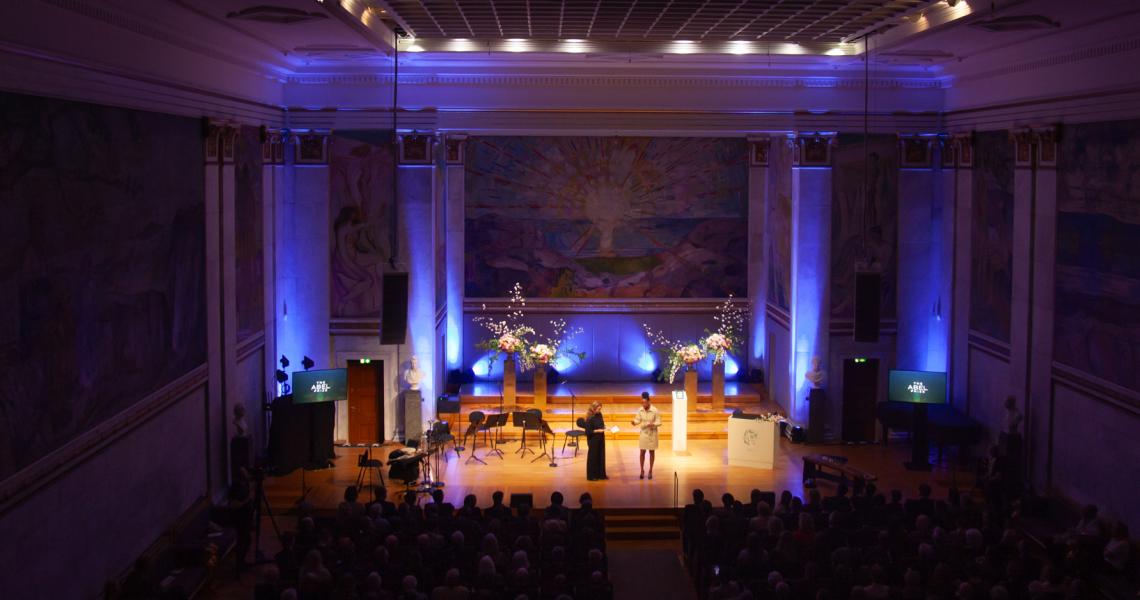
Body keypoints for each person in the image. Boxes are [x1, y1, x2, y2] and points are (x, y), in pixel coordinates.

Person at [631, 391, 661, 480]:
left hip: (652, 434)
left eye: (645, 402)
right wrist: (634, 422)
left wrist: (653, 424)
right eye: (642, 402)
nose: (643, 404)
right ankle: (642, 470)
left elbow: (659, 422)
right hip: (644, 433)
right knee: (642, 452)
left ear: (649, 401)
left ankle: (650, 470)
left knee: (651, 452)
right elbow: (637, 419)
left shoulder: (655, 410)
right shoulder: (640, 410)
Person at [578, 401, 608, 481]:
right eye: (598, 409)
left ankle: (601, 475)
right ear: (594, 409)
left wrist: (604, 426)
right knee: (593, 458)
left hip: (601, 438)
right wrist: (598, 431)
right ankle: (592, 476)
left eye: (600, 409)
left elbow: (601, 424)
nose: (599, 410)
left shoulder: (599, 414)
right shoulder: (590, 418)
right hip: (593, 440)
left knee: (601, 456)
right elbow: (588, 432)